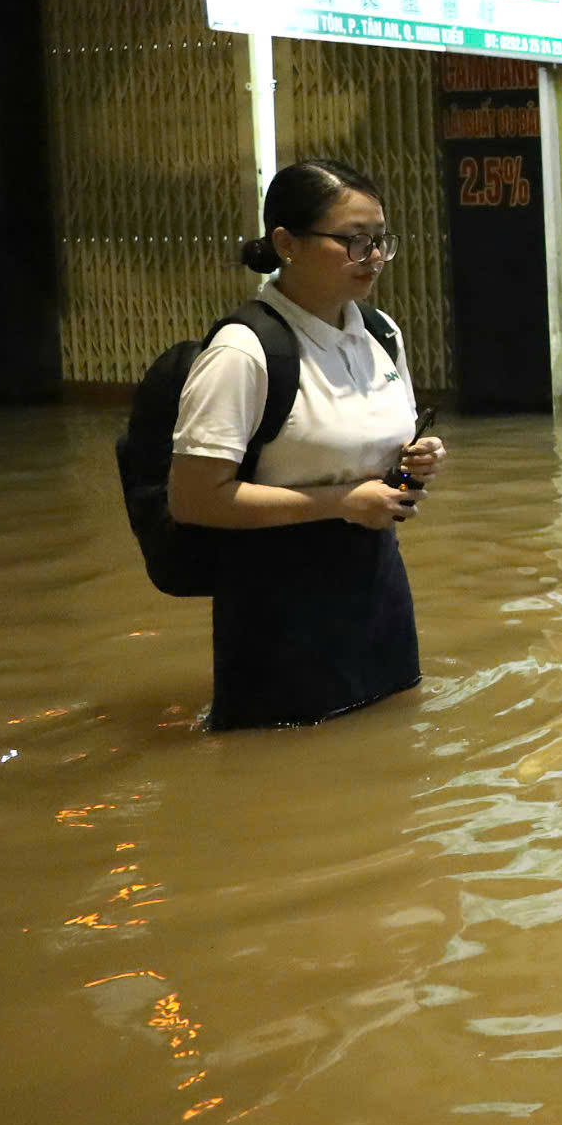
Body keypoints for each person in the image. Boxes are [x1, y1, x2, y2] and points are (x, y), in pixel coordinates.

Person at [166, 160, 444, 730]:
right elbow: (193, 500)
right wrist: (340, 502)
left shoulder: (381, 333)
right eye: (352, 241)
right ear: (287, 243)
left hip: (377, 583)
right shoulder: (245, 352)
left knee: (393, 753)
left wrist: (413, 460)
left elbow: (376, 447)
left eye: (379, 241)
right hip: (277, 600)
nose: (372, 257)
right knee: (281, 760)